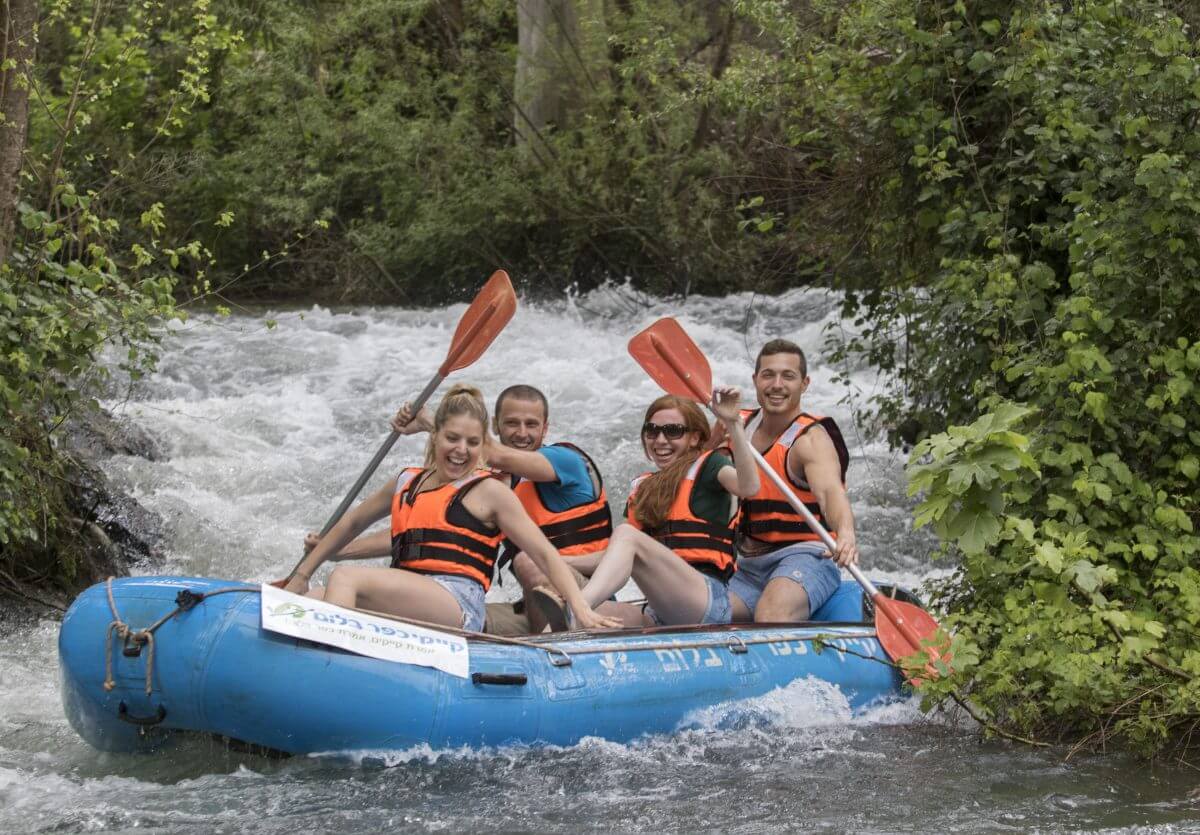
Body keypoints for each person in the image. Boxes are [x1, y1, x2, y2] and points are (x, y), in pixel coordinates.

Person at [283, 385, 621, 632]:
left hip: (456, 599)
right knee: (315, 594)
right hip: (413, 588)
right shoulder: (408, 481)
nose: (462, 450)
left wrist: (581, 607)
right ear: (435, 439)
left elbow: (545, 555)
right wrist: (307, 571)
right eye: (453, 439)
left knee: (345, 580)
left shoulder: (498, 486)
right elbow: (358, 524)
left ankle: (331, 667)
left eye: (473, 443)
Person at [391, 384, 614, 634]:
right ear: (496, 426)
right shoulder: (488, 488)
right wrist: (342, 550)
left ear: (545, 428)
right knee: (459, 618)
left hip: (589, 596)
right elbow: (422, 533)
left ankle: (559, 645)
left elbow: (495, 455)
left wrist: (429, 421)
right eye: (511, 423)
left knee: (529, 563)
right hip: (536, 608)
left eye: (531, 424)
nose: (521, 433)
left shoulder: (566, 461)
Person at [535, 387, 759, 629]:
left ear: (694, 438)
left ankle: (577, 611)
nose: (660, 440)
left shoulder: (711, 466)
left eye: (673, 431)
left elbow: (749, 487)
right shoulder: (643, 487)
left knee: (624, 538)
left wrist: (733, 423)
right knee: (604, 613)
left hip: (707, 601)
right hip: (660, 610)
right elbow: (617, 554)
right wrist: (557, 560)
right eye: (652, 431)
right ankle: (543, 644)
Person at [724, 339, 858, 623]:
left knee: (770, 614)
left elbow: (830, 493)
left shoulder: (810, 439)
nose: (777, 384)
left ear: (804, 383)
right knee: (708, 614)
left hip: (807, 557)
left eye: (788, 376)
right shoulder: (736, 424)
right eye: (768, 374)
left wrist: (845, 532)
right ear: (755, 380)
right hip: (747, 566)